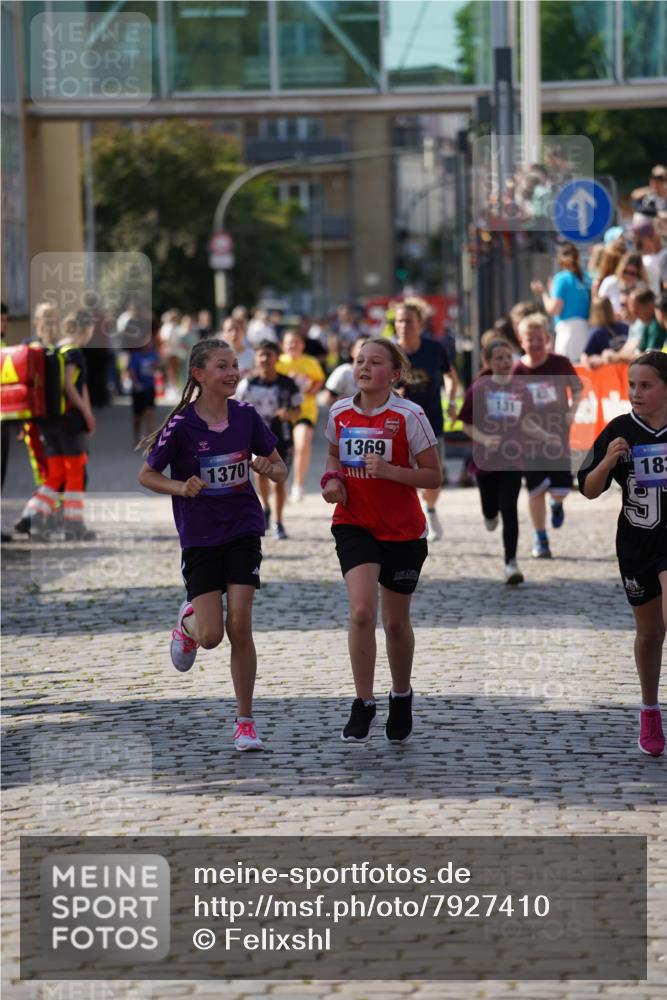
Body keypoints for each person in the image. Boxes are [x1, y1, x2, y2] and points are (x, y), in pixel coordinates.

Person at [138, 339, 288, 752]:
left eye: (235, 365)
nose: (233, 372)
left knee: (240, 624)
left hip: (243, 527)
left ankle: (245, 722)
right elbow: (147, 475)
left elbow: (281, 468)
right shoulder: (182, 425)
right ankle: (188, 624)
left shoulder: (246, 417)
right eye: (222, 366)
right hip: (200, 535)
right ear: (199, 375)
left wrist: (268, 468)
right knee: (212, 637)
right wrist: (179, 486)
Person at [322, 337, 441, 744]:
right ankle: (363, 701)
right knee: (360, 612)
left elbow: (433, 475)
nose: (364, 368)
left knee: (394, 622)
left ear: (394, 374)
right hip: (353, 522)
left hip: (403, 530)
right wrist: (331, 479)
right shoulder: (339, 412)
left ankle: (401, 694)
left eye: (375, 362)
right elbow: (333, 456)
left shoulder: (409, 415)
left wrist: (392, 472)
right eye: (359, 361)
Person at [578, 351, 667, 757]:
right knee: (650, 634)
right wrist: (610, 459)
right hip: (635, 543)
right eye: (632, 385)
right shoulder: (619, 430)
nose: (635, 393)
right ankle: (650, 710)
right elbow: (590, 488)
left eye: (646, 385)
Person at [459, 339, 559, 585]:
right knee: (491, 512)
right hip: (485, 461)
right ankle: (489, 514)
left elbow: (526, 422)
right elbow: (466, 425)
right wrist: (485, 439)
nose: (505, 362)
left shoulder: (521, 389)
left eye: (508, 357)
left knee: (510, 510)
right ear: (488, 362)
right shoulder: (479, 389)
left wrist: (547, 435)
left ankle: (511, 563)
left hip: (513, 458)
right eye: (499, 358)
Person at [16, 310, 97, 540]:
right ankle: (74, 526)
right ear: (84, 329)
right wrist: (86, 412)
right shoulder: (73, 353)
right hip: (69, 423)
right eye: (90, 330)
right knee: (74, 473)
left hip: (48, 422)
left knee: (56, 474)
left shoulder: (53, 350)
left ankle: (30, 514)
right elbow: (69, 386)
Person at [513, 313, 583, 559]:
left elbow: (577, 388)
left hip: (558, 436)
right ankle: (541, 537)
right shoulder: (517, 371)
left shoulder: (560, 363)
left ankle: (557, 504)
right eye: (529, 339)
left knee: (560, 489)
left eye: (539, 339)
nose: (534, 344)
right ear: (521, 341)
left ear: (547, 339)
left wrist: (572, 412)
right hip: (530, 441)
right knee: (535, 491)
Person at [394, 299, 458, 538]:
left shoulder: (434, 349)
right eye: (399, 321)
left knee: (434, 477)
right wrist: (391, 393)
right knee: (401, 476)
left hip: (430, 420)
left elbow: (451, 377)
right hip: (397, 425)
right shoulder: (390, 352)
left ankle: (429, 508)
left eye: (408, 321)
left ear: (420, 324)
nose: (403, 326)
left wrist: (452, 401)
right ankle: (411, 520)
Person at [236, 341, 302, 540]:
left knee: (279, 479)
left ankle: (279, 521)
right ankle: (265, 509)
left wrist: (287, 413)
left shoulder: (288, 384)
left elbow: (298, 409)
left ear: (277, 357)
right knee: (261, 474)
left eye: (269, 354)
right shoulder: (247, 384)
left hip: (281, 436)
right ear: (255, 358)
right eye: (261, 355)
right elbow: (236, 409)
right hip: (254, 438)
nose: (264, 359)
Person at [276, 329, 325, 502]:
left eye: (296, 342)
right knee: (281, 450)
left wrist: (311, 389)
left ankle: (298, 484)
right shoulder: (278, 363)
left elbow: (319, 380)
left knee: (302, 443)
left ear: (302, 345)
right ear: (282, 345)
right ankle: (279, 486)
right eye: (289, 342)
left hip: (305, 410)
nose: (292, 345)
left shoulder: (310, 362)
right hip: (282, 413)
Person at [530, 242, 591, 363]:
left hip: (568, 333)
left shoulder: (561, 278)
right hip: (586, 330)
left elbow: (554, 309)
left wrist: (544, 293)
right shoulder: (587, 278)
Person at [127, 335, 161, 445]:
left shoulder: (153, 355)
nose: (148, 345)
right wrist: (136, 384)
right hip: (138, 389)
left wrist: (155, 366)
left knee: (150, 412)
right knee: (138, 416)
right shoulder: (135, 356)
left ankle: (151, 440)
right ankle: (136, 435)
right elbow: (131, 371)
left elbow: (157, 368)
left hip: (149, 387)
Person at [581, 297, 629, 368]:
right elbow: (585, 358)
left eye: (606, 309)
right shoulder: (596, 333)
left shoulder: (623, 327)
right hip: (610, 373)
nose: (604, 313)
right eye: (601, 310)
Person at [598, 252, 647, 319]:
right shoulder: (609, 282)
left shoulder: (641, 286)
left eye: (632, 273)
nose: (628, 276)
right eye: (625, 271)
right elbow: (599, 308)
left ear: (638, 273)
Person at [323, 335, 369, 405]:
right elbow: (328, 399)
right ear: (352, 351)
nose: (365, 350)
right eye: (362, 346)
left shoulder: (376, 375)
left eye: (368, 348)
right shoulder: (344, 371)